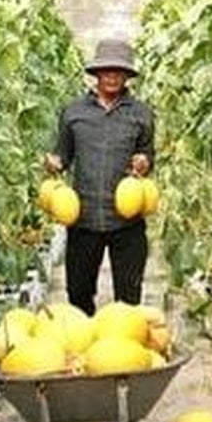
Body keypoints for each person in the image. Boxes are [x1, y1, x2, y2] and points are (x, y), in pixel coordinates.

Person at [44, 38, 156, 316]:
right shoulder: (73, 112)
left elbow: (147, 154)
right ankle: (86, 341)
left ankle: (122, 343)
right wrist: (54, 162)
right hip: (84, 219)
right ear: (96, 73)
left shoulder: (141, 114)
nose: (112, 76)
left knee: (128, 303)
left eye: (119, 71)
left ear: (127, 75)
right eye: (107, 70)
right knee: (78, 296)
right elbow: (63, 155)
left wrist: (144, 162)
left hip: (127, 223)